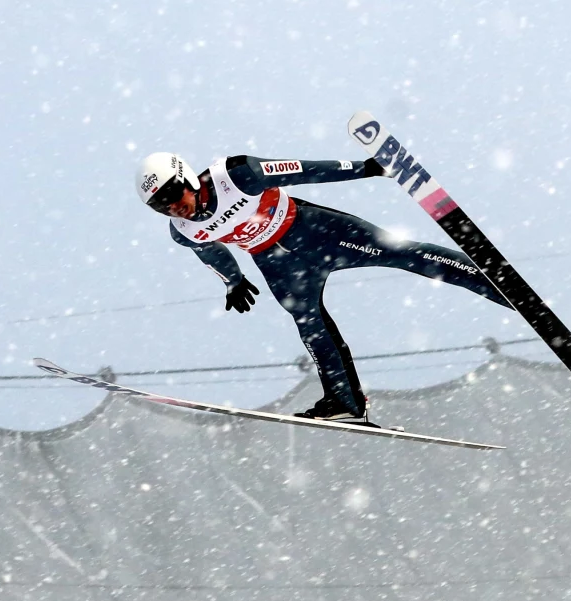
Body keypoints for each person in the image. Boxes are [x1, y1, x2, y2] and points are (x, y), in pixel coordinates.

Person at [136, 151, 512, 424]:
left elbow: (306, 170)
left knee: (402, 254)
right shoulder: (183, 231)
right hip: (277, 263)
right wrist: (233, 282)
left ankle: (497, 284)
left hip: (317, 231)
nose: (172, 208)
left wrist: (365, 168)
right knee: (309, 325)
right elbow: (210, 253)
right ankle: (345, 402)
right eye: (160, 206)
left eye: (172, 195)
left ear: (185, 177)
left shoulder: (237, 175)